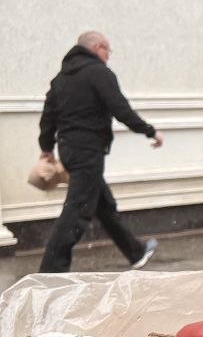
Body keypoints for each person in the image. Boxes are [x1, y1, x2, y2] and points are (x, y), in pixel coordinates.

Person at [38, 31, 162, 273]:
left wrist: (46, 147)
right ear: (98, 47)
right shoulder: (99, 73)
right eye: (108, 51)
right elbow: (120, 109)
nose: (109, 56)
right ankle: (50, 272)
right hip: (88, 151)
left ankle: (135, 252)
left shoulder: (60, 78)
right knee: (77, 211)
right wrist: (150, 131)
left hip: (69, 150)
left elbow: (48, 117)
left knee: (103, 204)